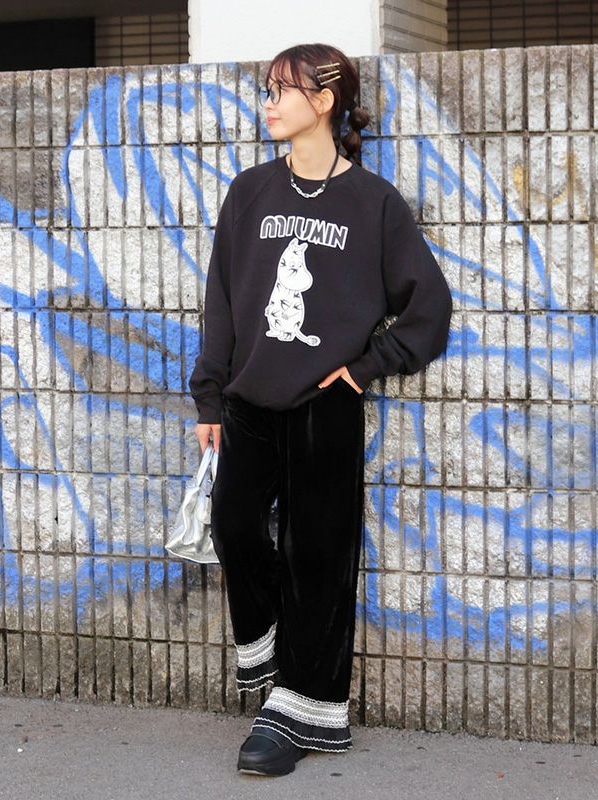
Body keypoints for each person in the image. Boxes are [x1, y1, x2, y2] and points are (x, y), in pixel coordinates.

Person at [190, 42, 453, 777]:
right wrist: (210, 393)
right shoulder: (249, 192)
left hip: (325, 405)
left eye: (283, 90)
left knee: (320, 556)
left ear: (325, 100)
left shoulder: (372, 204)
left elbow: (428, 307)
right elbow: (222, 302)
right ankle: (279, 657)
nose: (269, 103)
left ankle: (299, 711)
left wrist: (364, 369)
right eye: (267, 90)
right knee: (234, 524)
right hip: (249, 399)